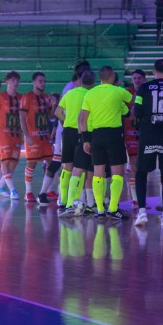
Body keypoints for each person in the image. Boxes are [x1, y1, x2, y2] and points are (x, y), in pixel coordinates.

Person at [79, 66, 133, 220]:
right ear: (113, 76)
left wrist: (85, 140)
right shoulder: (118, 91)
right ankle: (113, 208)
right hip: (114, 135)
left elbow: (82, 119)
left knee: (98, 173)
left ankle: (100, 210)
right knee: (117, 173)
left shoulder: (90, 93)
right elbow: (135, 102)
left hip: (96, 135)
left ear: (100, 78)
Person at [133, 59, 163, 227]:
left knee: (141, 173)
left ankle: (142, 213)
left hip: (148, 135)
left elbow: (136, 111)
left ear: (153, 72)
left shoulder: (143, 89)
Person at [56, 70, 97, 217]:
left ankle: (63, 200)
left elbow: (58, 112)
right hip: (82, 131)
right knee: (81, 167)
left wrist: (66, 121)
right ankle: (76, 201)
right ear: (93, 83)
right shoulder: (90, 95)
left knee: (67, 166)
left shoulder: (70, 93)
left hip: (67, 131)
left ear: (80, 80)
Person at [19, 72, 53, 204]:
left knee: (52, 164)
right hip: (33, 137)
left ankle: (46, 190)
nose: (43, 83)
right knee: (31, 164)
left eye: (44, 81)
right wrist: (26, 135)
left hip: (45, 137)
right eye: (40, 81)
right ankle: (28, 192)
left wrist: (55, 105)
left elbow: (51, 116)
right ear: (34, 82)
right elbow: (21, 117)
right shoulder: (27, 97)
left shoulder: (46, 97)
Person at [123, 69, 146, 210]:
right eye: (134, 78)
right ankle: (135, 199)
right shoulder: (127, 93)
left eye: (139, 78)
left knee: (143, 167)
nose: (136, 80)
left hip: (145, 132)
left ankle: (140, 195)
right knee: (133, 164)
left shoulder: (147, 91)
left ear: (144, 79)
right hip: (130, 132)